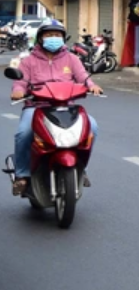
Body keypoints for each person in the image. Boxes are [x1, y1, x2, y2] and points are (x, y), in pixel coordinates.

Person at [10, 19, 101, 196]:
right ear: (40, 38)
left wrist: (92, 86)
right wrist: (18, 91)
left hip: (66, 106)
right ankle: (22, 175)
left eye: (57, 35)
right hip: (36, 107)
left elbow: (83, 77)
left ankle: (81, 169)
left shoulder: (72, 59)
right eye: (49, 35)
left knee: (92, 127)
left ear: (63, 38)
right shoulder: (28, 61)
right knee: (23, 133)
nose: (53, 38)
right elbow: (20, 82)